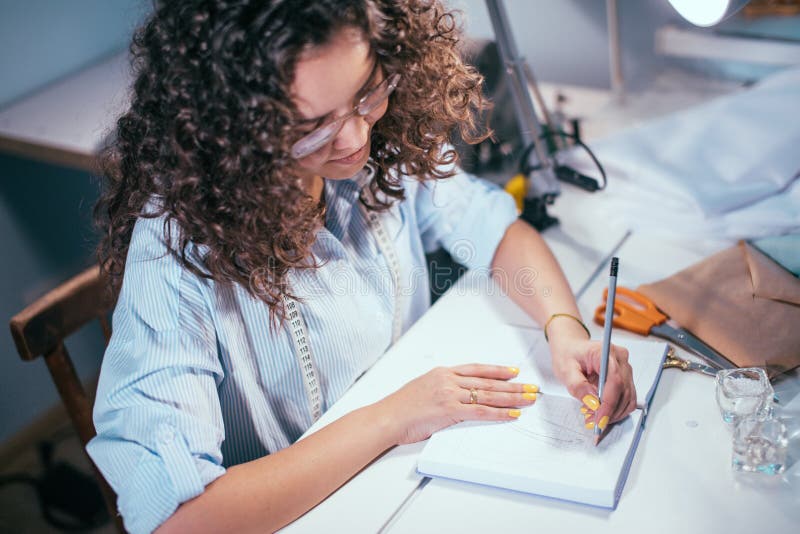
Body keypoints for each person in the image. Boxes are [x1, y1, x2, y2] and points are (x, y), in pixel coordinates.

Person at [89, 1, 636, 532]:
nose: (355, 140)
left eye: (366, 93)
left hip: (411, 478)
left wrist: (564, 328)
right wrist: (391, 417)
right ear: (235, 129)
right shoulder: (175, 256)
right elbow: (177, 520)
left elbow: (493, 228)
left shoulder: (379, 152)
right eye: (313, 126)